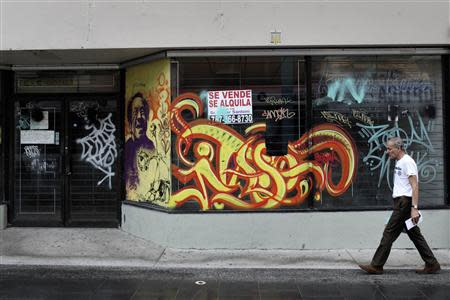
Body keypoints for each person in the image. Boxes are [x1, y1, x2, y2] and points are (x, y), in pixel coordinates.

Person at [359, 137, 440, 274]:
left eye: (390, 149)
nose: (387, 151)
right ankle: (432, 263)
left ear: (399, 148)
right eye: (387, 148)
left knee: (388, 233)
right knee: (414, 234)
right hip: (401, 202)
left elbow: (415, 186)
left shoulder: (407, 162)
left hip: (405, 203)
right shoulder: (400, 162)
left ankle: (377, 265)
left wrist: (414, 208)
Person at [125, 93, 155, 190]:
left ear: (146, 119)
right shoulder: (126, 149)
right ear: (129, 122)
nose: (139, 117)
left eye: (142, 112)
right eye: (135, 112)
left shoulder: (151, 148)